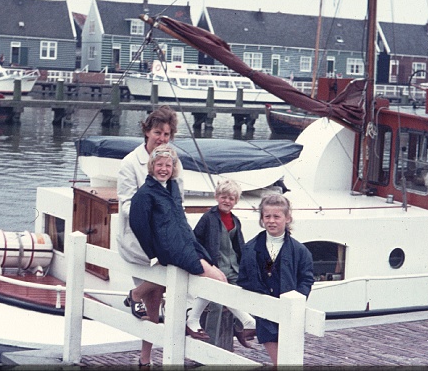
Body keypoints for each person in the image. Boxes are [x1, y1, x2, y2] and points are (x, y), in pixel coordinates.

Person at [127, 144, 227, 367]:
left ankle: (144, 359)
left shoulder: (172, 187)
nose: (164, 169)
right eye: (159, 165)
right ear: (152, 166)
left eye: (168, 165)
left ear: (173, 168)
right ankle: (194, 319)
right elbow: (138, 224)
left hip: (185, 243)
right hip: (168, 249)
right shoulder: (145, 193)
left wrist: (194, 244)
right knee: (218, 279)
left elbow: (179, 219)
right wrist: (154, 251)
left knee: (153, 307)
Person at [116, 104, 180, 320]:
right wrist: (153, 220)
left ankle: (146, 354)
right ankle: (137, 296)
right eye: (157, 132)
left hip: (165, 239)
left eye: (167, 134)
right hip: (138, 242)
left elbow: (177, 201)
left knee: (159, 296)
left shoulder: (173, 161)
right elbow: (126, 206)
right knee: (153, 302)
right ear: (146, 131)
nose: (162, 138)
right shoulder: (130, 164)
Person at [237, 193, 314, 366]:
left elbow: (306, 279)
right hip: (265, 315)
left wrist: (297, 300)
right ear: (262, 219)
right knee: (281, 363)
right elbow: (243, 278)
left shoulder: (300, 251)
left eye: (276, 216)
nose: (271, 221)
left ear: (287, 218)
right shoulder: (250, 248)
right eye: (267, 216)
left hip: (289, 314)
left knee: (287, 362)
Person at [185, 178, 257, 347]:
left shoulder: (235, 221)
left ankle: (240, 328)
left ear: (236, 201)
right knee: (216, 305)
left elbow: (240, 246)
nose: (227, 201)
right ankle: (208, 344)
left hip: (232, 266)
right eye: (224, 197)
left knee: (239, 296)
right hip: (216, 267)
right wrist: (204, 264)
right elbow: (196, 241)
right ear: (217, 197)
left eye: (231, 198)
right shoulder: (208, 218)